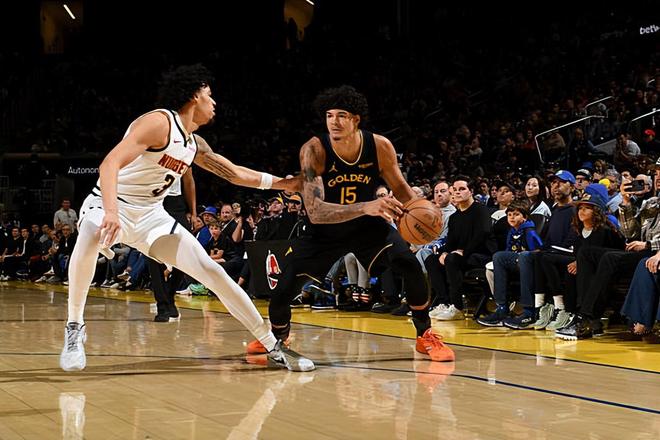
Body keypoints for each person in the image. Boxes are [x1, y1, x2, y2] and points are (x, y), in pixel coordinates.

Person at [59, 64, 313, 372]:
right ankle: (74, 327)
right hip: (109, 203)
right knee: (91, 230)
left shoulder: (194, 144)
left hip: (151, 215)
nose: (214, 102)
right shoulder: (159, 122)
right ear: (194, 96)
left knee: (212, 272)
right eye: (209, 94)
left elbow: (234, 173)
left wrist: (285, 184)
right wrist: (111, 213)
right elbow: (109, 163)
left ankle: (273, 346)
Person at [247, 85, 454, 362]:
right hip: (323, 232)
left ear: (356, 119)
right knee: (283, 290)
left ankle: (424, 334)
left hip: (367, 229)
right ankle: (277, 336)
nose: (334, 121)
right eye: (329, 115)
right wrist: (366, 206)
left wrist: (424, 213)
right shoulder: (314, 150)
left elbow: (401, 188)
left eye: (341, 115)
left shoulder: (379, 146)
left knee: (409, 264)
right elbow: (316, 211)